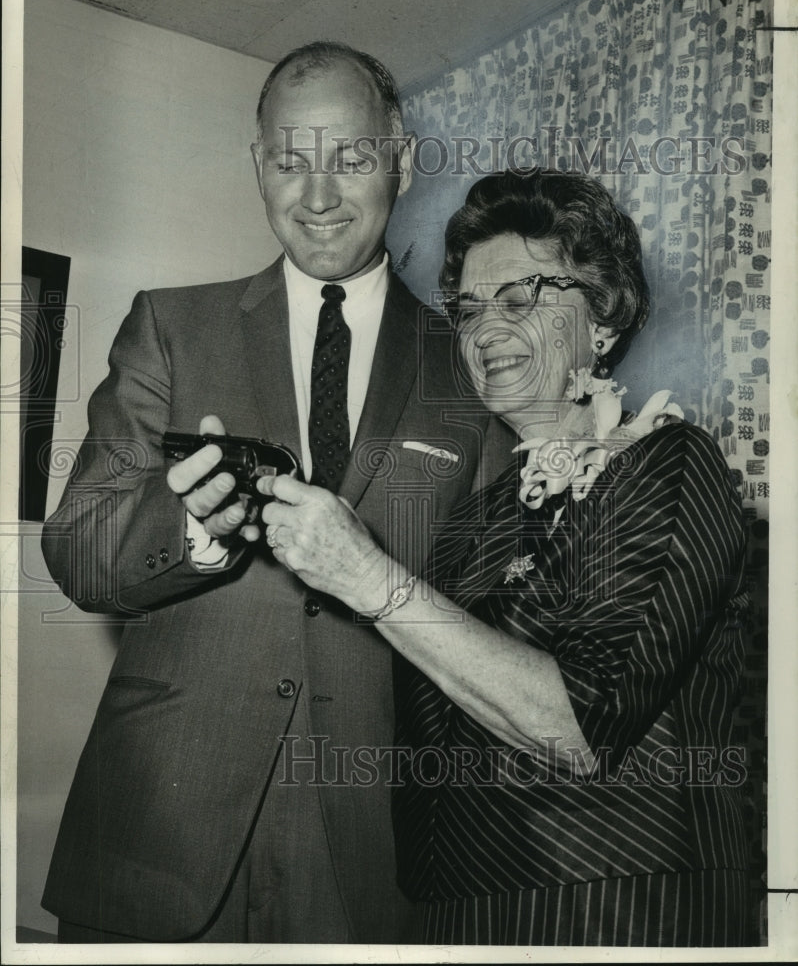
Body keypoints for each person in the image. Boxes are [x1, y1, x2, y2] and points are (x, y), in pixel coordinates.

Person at [40, 42, 498, 944]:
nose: (318, 195)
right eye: (290, 161)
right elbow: (78, 554)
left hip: (372, 856)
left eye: (351, 158)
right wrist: (195, 531)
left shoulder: (471, 365)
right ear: (259, 165)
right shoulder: (170, 327)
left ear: (401, 158)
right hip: (157, 839)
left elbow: (490, 618)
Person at [259, 168, 751, 946]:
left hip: (611, 907)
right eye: (468, 308)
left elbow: (577, 728)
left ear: (604, 318)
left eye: (521, 298)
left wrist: (366, 575)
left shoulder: (665, 464)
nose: (485, 329)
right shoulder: (478, 513)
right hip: (452, 909)